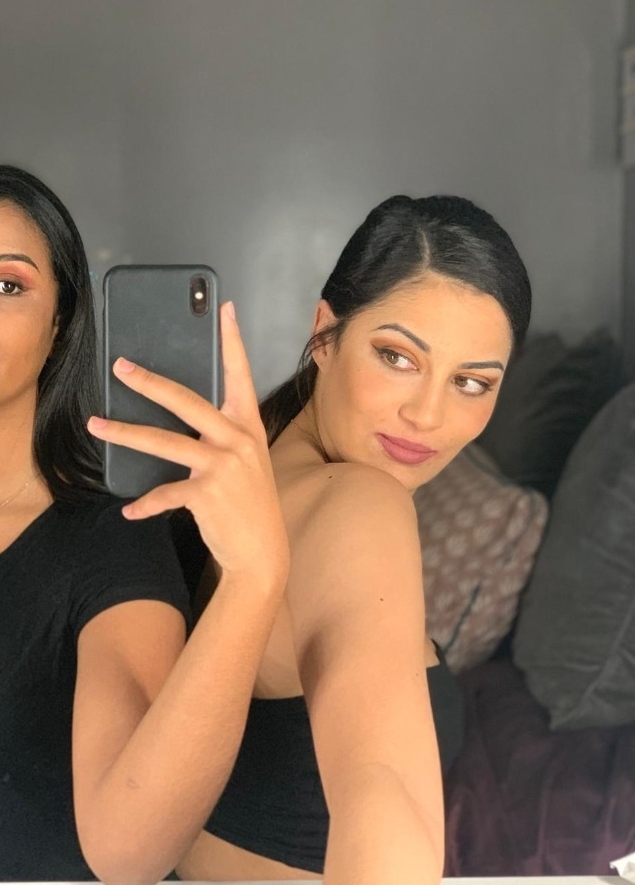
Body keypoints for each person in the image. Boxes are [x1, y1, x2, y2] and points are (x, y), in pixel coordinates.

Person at [0, 162, 290, 885]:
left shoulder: (112, 540)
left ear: (59, 326)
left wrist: (255, 579)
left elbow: (130, 853)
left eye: (7, 285)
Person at [177, 194, 532, 885]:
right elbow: (383, 789)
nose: (427, 414)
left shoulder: (256, 476)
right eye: (398, 357)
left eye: (470, 382)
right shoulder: (360, 504)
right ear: (325, 334)